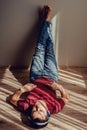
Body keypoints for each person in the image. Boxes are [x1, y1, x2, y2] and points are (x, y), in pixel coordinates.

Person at [9, 5, 69, 128]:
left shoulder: (26, 107)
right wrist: (58, 88)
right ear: (47, 113)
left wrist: (23, 90)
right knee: (50, 48)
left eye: (34, 110)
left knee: (40, 48)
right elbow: (66, 99)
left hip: (36, 75)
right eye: (40, 110)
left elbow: (13, 100)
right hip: (51, 76)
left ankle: (46, 21)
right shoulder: (54, 107)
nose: (37, 107)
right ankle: (45, 22)